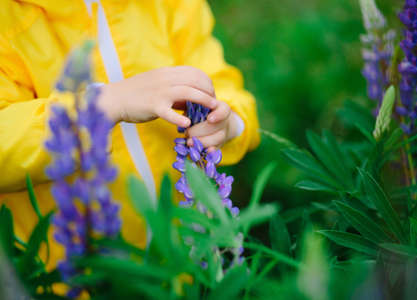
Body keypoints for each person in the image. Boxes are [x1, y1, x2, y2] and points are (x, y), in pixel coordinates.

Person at [0, 0, 260, 269]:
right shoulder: (9, 19)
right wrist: (104, 106)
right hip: (68, 272)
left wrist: (228, 123)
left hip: (181, 260)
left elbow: (220, 82)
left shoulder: (171, 5)